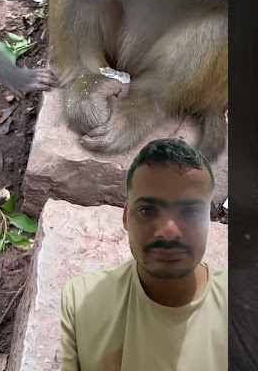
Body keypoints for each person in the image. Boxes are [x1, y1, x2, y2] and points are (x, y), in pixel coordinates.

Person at [59, 137, 227, 370]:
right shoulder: (80, 303)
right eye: (147, 210)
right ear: (126, 217)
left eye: (190, 212)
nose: (168, 232)